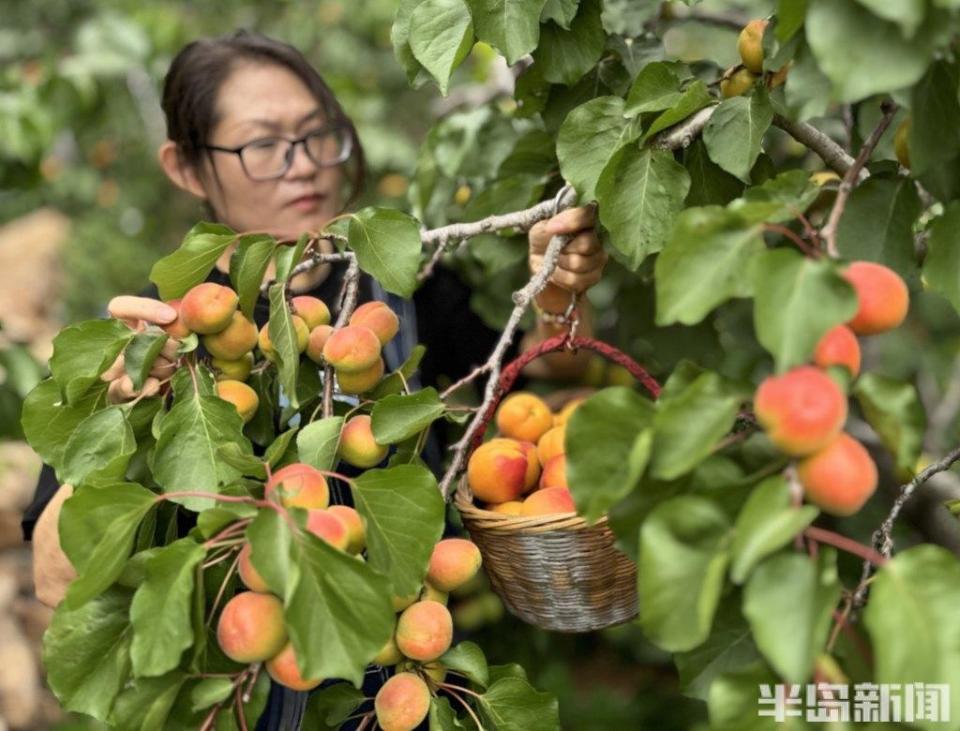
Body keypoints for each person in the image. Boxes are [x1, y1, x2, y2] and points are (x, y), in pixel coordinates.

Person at [24, 30, 608, 729]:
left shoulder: (402, 284)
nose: (303, 166)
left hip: (397, 682)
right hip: (242, 691)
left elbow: (527, 404)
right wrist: (122, 424)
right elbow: (57, 577)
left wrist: (555, 295)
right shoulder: (157, 334)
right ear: (185, 167)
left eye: (316, 135)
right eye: (263, 145)